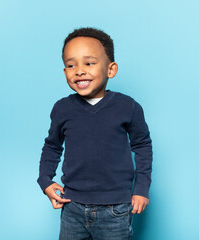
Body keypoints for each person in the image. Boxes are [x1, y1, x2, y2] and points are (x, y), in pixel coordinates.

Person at [37, 27, 153, 240]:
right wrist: (45, 180)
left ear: (111, 69)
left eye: (89, 63)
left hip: (115, 209)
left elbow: (142, 145)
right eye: (71, 65)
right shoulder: (62, 108)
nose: (79, 70)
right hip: (72, 207)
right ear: (65, 72)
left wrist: (141, 189)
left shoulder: (128, 107)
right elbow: (52, 146)